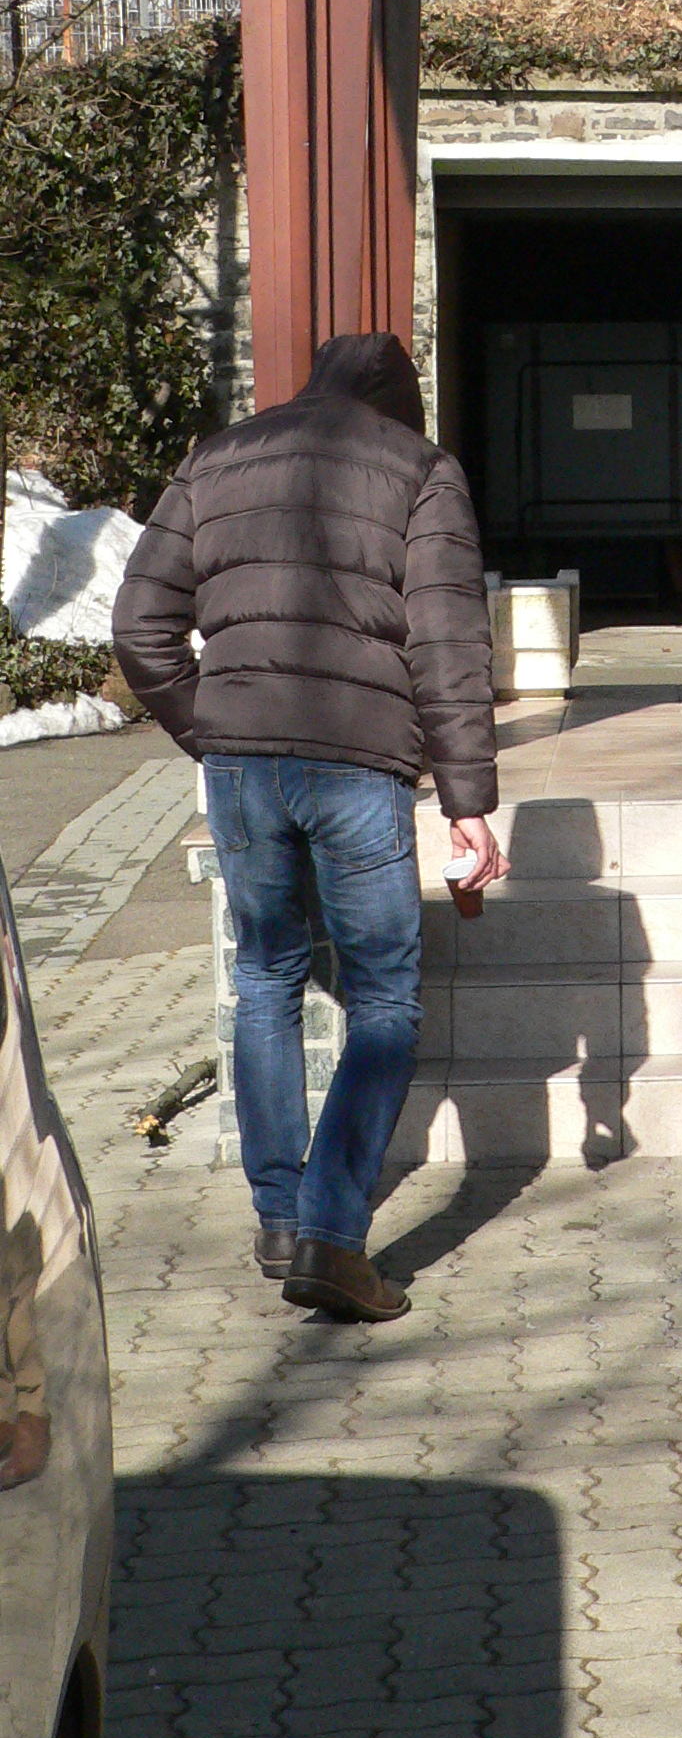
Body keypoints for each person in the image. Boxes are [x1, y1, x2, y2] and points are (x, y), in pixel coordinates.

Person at [112, 333, 508, 1324]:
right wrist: (467, 798)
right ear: (400, 407)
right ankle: (332, 1238)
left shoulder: (216, 457)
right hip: (357, 763)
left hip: (242, 767)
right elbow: (449, 640)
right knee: (384, 998)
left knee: (264, 976)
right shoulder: (422, 469)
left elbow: (138, 625)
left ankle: (282, 1220)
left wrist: (214, 727)